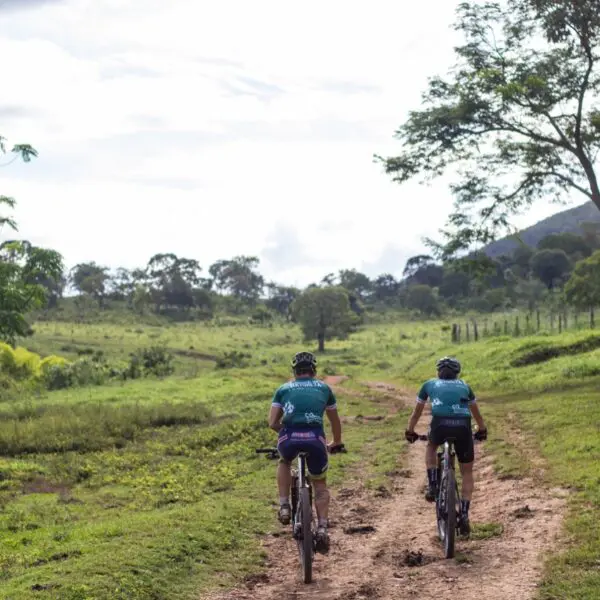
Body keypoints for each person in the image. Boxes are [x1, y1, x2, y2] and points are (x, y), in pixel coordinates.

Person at [268, 351, 343, 554]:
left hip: (290, 438)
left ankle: (284, 505)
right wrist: (336, 441)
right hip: (316, 439)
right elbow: (335, 421)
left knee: (284, 461)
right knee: (320, 484)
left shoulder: (283, 389)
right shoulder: (324, 388)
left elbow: (272, 422)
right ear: (314, 370)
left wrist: (285, 432)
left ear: (294, 371)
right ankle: (322, 528)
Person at [405, 356, 487, 536]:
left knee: (432, 446)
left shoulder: (429, 384)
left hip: (440, 425)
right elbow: (477, 415)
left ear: (438, 373)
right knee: (466, 472)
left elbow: (416, 412)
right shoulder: (465, 386)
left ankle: (433, 484)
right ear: (457, 373)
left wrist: (410, 430)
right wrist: (482, 430)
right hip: (463, 426)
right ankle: (464, 514)